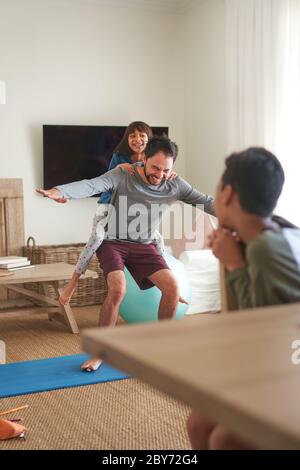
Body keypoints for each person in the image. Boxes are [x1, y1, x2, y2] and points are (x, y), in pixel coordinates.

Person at [37, 136, 215, 371]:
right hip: (113, 242)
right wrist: (60, 190)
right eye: (155, 167)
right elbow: (92, 185)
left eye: (166, 170)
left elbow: (206, 201)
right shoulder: (124, 174)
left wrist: (243, 213)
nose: (159, 175)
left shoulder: (175, 184)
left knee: (172, 287)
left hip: (145, 245)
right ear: (144, 159)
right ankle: (99, 352)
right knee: (118, 288)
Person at [186, 147, 300, 450]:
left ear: (227, 194)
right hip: (283, 362)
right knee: (199, 422)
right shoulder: (272, 233)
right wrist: (231, 257)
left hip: (288, 367)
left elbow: (259, 331)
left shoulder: (266, 248)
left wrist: (234, 264)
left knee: (225, 439)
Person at [56, 121, 167, 305]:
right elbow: (103, 183)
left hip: (133, 214)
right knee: (97, 238)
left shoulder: (153, 162)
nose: (137, 139)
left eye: (141, 136)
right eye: (132, 135)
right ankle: (73, 283)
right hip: (108, 209)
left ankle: (168, 279)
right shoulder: (119, 158)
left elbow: (159, 177)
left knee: (158, 238)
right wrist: (66, 192)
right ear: (127, 139)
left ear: (149, 140)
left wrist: (168, 174)